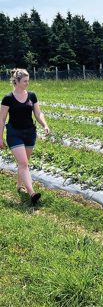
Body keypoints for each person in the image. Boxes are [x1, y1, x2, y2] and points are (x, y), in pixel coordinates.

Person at [0, 68, 49, 205]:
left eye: (28, 81)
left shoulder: (32, 96)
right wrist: (0, 137)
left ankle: (19, 185)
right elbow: (2, 118)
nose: (27, 83)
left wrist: (45, 125)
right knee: (23, 163)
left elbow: (38, 114)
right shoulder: (8, 98)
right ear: (16, 81)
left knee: (24, 162)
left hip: (29, 133)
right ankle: (32, 193)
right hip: (14, 133)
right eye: (25, 81)